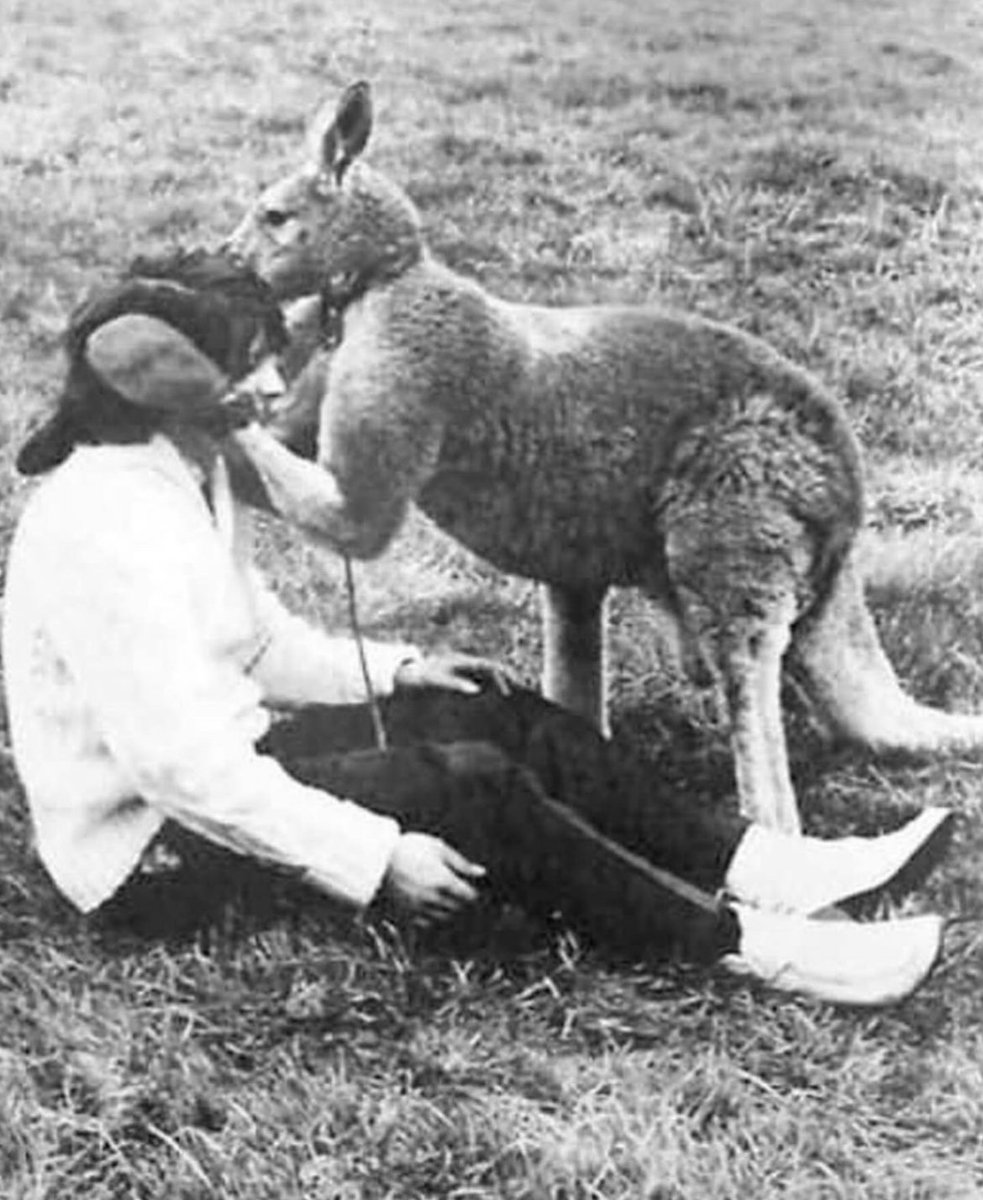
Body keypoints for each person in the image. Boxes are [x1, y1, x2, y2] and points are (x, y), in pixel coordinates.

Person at [2, 251, 955, 1008]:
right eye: (255, 362)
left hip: (226, 761)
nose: (276, 380)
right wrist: (376, 861)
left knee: (494, 710)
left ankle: (770, 865)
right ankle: (759, 949)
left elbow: (252, 644)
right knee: (476, 789)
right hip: (153, 850)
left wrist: (401, 670)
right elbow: (180, 770)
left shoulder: (185, 468)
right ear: (174, 383)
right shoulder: (107, 527)